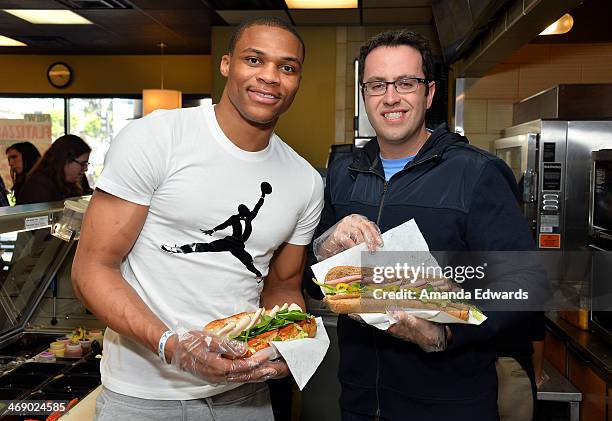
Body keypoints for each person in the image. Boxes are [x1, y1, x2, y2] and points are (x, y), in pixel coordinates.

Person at [71, 16, 323, 421]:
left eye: (287, 67)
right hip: (143, 398)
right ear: (226, 65)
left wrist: (286, 348)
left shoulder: (305, 181)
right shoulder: (156, 138)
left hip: (245, 395)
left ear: (298, 80)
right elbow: (91, 269)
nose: (270, 77)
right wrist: (171, 345)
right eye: (254, 60)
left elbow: (283, 288)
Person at [310, 29, 547, 420]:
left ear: (429, 93)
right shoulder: (343, 174)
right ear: (364, 95)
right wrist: (324, 247)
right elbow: (312, 278)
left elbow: (525, 285)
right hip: (360, 402)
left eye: (406, 83)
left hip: (449, 403)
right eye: (376, 85)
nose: (390, 98)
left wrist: (448, 328)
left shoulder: (476, 173)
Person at [17, 134, 91, 205]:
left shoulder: (71, 184)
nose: (85, 169)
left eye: (86, 164)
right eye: (82, 164)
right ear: (65, 160)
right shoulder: (38, 186)